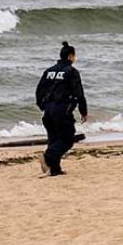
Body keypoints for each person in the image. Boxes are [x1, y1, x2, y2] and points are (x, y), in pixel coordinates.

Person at [34, 41, 87, 176]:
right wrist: (83, 111)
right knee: (67, 139)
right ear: (70, 56)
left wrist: (43, 106)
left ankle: (54, 170)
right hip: (62, 109)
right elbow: (79, 93)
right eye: (74, 56)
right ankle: (48, 157)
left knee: (54, 138)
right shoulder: (72, 72)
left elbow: (39, 91)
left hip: (48, 110)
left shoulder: (49, 71)